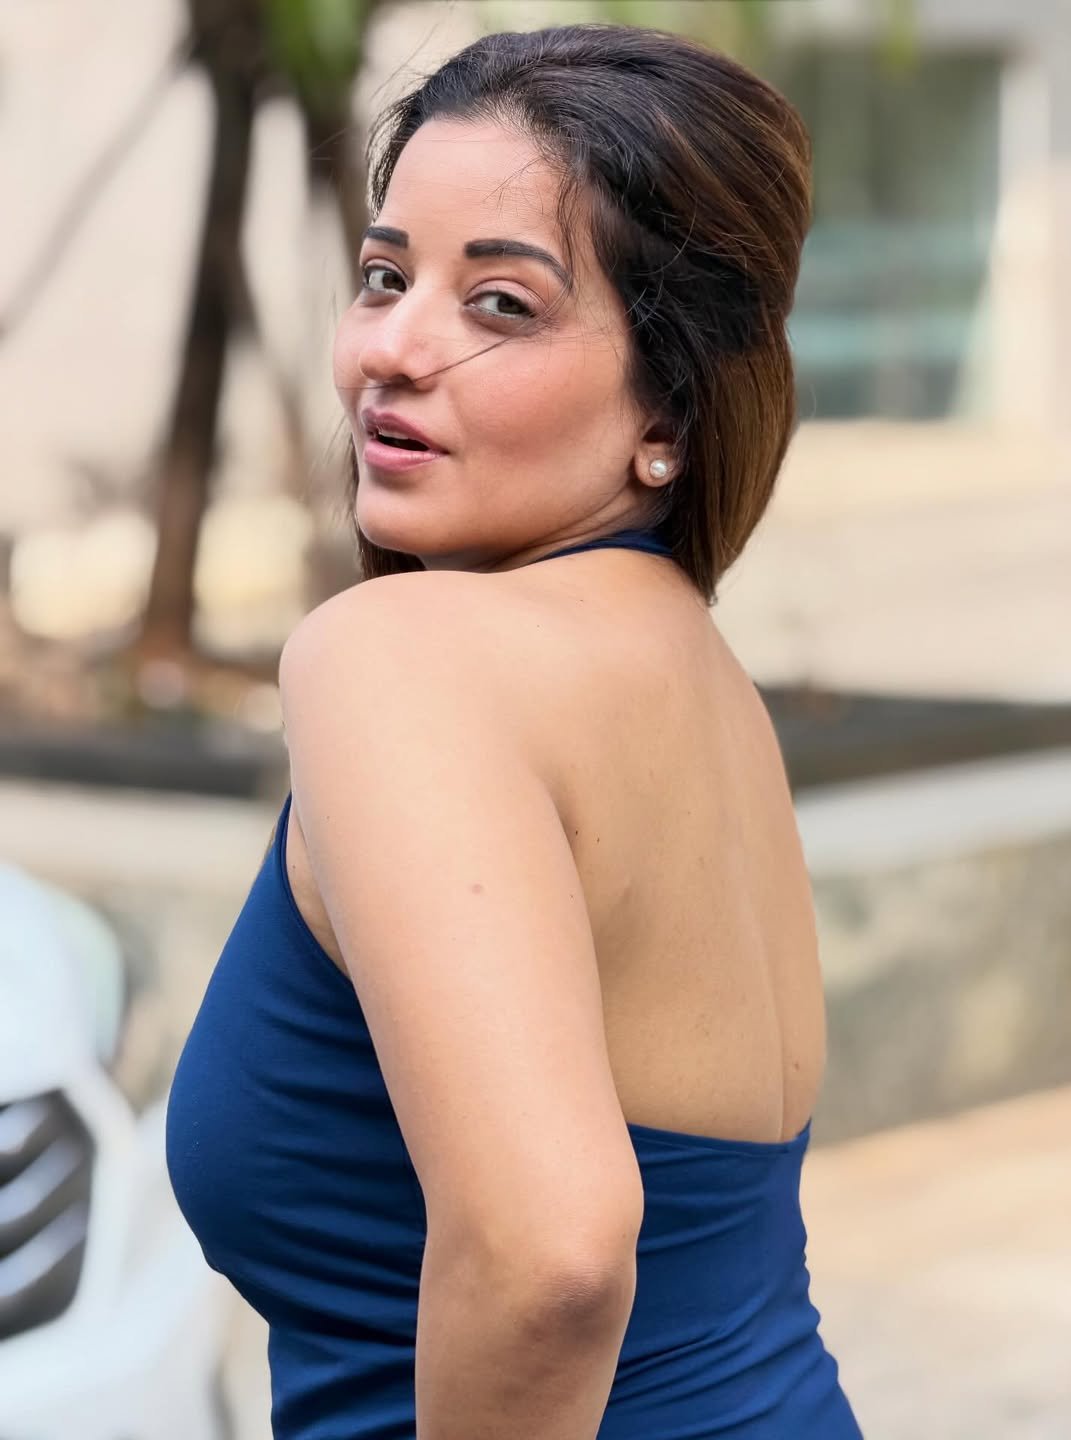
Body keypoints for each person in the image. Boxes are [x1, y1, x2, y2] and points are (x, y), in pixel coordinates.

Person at [166, 21, 862, 1439]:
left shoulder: (401, 658)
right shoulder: (703, 682)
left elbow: (552, 1257)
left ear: (670, 401)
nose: (390, 350)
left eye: (501, 305)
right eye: (384, 276)